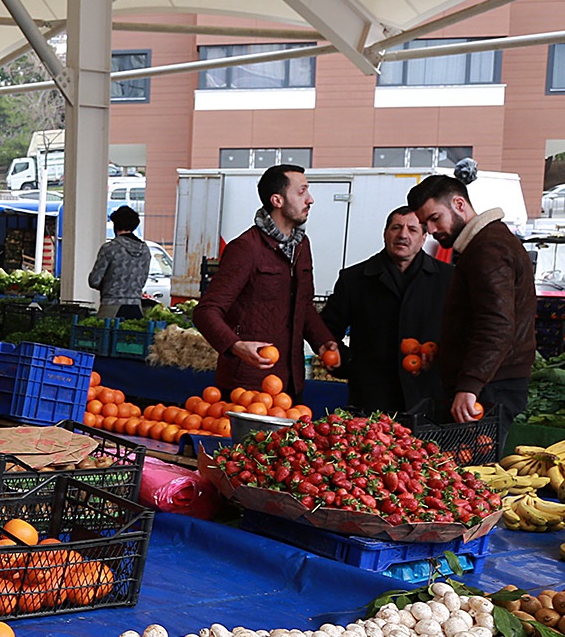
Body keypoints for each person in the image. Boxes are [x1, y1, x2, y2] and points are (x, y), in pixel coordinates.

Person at [193, 164, 339, 402]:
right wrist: (236, 345)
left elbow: (303, 305)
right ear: (277, 200)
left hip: (291, 382)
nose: (310, 200)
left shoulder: (302, 246)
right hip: (247, 387)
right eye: (302, 192)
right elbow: (206, 312)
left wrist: (322, 342)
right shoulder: (246, 248)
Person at [407, 173, 535, 436]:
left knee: (479, 469)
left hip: (492, 385)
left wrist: (470, 385)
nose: (430, 231)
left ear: (459, 204)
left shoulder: (488, 249)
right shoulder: (483, 244)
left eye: (434, 219)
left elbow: (496, 322)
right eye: (425, 223)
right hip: (491, 380)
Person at [320, 207, 451, 416]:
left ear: (424, 237)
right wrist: (347, 363)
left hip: (429, 398)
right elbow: (326, 329)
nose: (403, 235)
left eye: (412, 230)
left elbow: (462, 332)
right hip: (371, 398)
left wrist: (442, 359)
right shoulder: (355, 279)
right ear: (385, 233)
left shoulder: (447, 279)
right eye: (396, 228)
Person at [89, 205, 149, 319]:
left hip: (111, 308)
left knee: (106, 336)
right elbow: (143, 280)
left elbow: (94, 280)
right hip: (136, 308)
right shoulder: (145, 250)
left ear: (115, 225)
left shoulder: (110, 248)